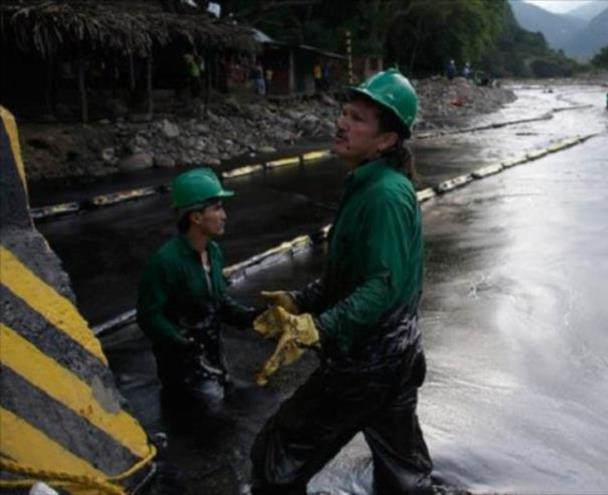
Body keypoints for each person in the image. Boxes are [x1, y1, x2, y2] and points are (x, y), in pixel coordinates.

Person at [250, 68, 433, 494]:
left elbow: (380, 287)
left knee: (277, 455)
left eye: (357, 119)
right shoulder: (369, 184)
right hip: (398, 354)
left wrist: (320, 327)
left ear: (386, 140)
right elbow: (352, 274)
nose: (341, 122)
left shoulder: (384, 195)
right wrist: (300, 302)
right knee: (403, 471)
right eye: (344, 112)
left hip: (370, 360)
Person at [137, 168, 259, 426]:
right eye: (217, 208)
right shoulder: (165, 262)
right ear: (196, 217)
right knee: (200, 429)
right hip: (180, 371)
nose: (224, 216)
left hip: (212, 362)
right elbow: (148, 316)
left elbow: (218, 302)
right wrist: (179, 342)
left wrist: (253, 318)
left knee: (228, 425)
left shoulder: (213, 252)